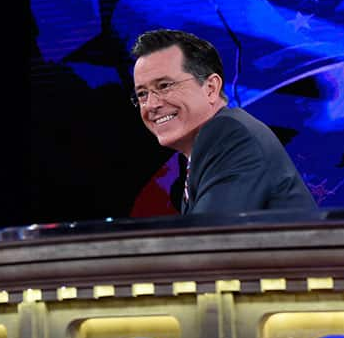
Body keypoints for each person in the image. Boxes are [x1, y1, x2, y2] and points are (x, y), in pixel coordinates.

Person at [131, 29, 317, 215]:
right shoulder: (202, 155)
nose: (151, 105)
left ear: (210, 88)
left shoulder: (229, 134)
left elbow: (205, 237)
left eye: (164, 86)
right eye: (142, 94)